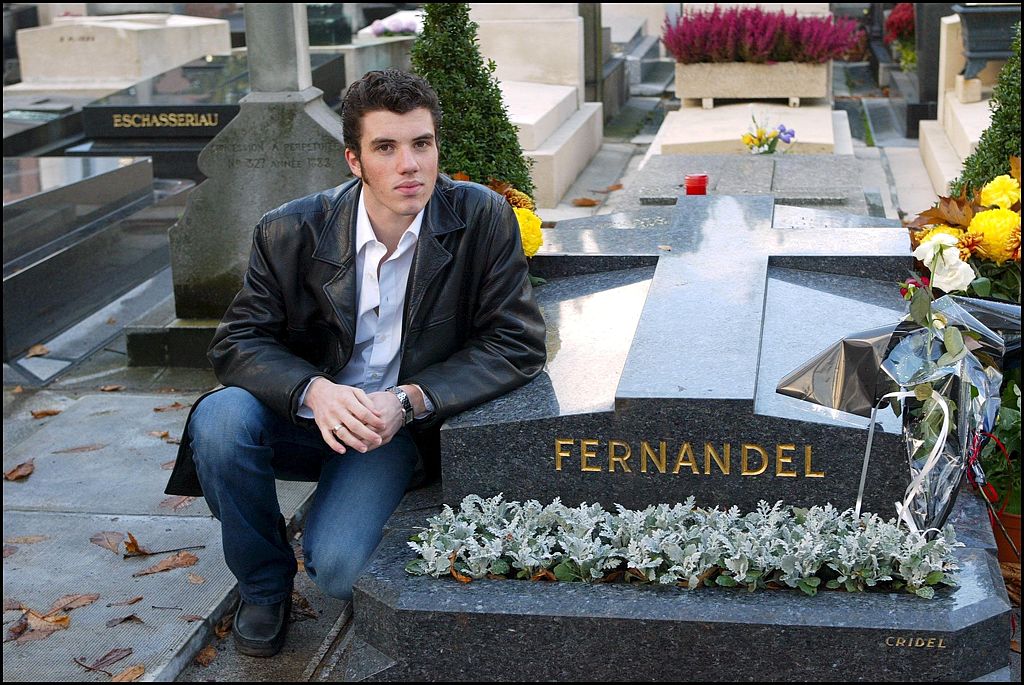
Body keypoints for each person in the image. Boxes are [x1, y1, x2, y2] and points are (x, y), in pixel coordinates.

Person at [163, 69, 547, 657]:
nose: (409, 165)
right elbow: (238, 342)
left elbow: (515, 342)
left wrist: (409, 401)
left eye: (422, 144)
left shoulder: (482, 218)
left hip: (389, 427)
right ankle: (264, 586)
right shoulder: (290, 228)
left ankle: (342, 511)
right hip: (303, 414)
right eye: (386, 148)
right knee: (221, 422)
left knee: (340, 572)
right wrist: (313, 391)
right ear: (354, 160)